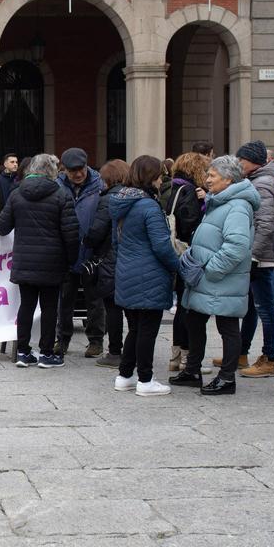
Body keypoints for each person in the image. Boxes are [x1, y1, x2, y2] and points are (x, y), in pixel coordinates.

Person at [172, 155, 258, 396]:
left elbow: (237, 246)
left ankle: (227, 378)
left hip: (219, 278)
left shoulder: (238, 206)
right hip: (205, 278)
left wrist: (211, 268)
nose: (207, 180)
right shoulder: (220, 201)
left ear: (228, 179)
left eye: (212, 176)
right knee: (194, 320)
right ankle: (192, 370)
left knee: (228, 327)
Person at [0, 153, 78, 368]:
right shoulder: (61, 195)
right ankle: (47, 353)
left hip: (24, 259)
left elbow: (2, 226)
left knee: (26, 306)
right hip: (52, 260)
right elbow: (70, 233)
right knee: (50, 308)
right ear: (52, 171)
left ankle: (23, 352)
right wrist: (72, 260)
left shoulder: (16, 194)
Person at [110, 156, 181, 396]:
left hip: (126, 271)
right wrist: (178, 266)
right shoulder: (149, 206)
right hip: (148, 273)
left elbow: (116, 242)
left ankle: (125, 375)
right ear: (150, 177)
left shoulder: (121, 202)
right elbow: (161, 245)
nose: (162, 180)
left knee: (135, 328)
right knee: (147, 329)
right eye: (160, 175)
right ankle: (145, 379)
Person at [232, 140, 274, 379]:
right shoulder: (259, 180)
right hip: (260, 255)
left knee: (265, 309)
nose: (238, 164)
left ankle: (269, 358)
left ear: (251, 161)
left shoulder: (262, 183)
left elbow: (265, 224)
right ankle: (240, 353)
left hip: (262, 258)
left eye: (240, 160)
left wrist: (252, 255)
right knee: (253, 308)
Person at [55, 147, 106, 358]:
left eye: (81, 169)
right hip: (66, 251)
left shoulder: (100, 185)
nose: (77, 174)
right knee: (64, 299)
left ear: (87, 166)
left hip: (91, 251)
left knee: (94, 299)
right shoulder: (57, 185)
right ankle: (62, 339)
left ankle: (96, 340)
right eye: (72, 170)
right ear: (64, 170)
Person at [166, 152, 211, 372]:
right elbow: (191, 223)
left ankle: (176, 357)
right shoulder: (191, 192)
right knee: (189, 308)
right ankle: (187, 357)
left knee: (182, 307)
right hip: (189, 254)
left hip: (175, 252)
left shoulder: (173, 188)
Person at [85, 159, 130, 369]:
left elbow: (97, 231)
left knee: (112, 308)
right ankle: (132, 350)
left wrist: (87, 241)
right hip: (130, 258)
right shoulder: (136, 196)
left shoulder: (108, 199)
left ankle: (114, 351)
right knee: (130, 308)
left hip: (109, 258)